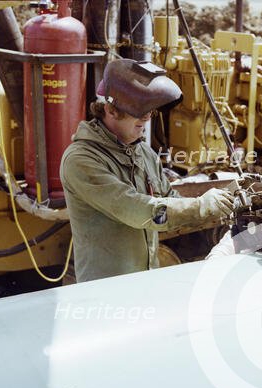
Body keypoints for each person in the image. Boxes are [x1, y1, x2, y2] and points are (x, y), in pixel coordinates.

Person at [60, 58, 233, 282]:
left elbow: (169, 199)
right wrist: (202, 206)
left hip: (144, 280)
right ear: (111, 110)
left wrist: (218, 206)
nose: (147, 117)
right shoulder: (81, 160)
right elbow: (138, 211)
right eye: (140, 110)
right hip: (105, 290)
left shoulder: (143, 152)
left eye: (150, 110)